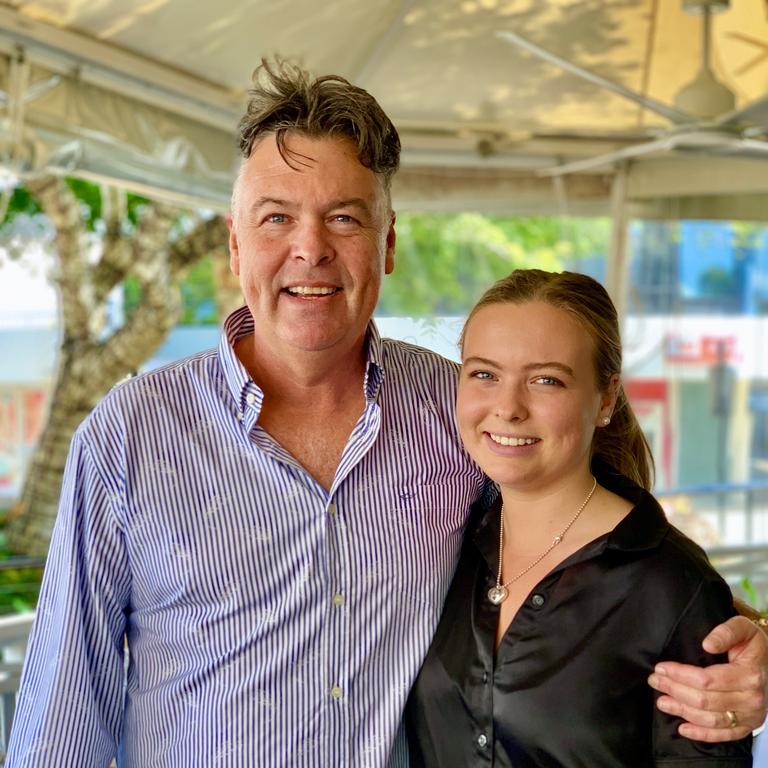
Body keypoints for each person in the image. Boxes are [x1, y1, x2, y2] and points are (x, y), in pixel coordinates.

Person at [6, 61, 767, 767]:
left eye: (344, 218)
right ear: (236, 247)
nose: (310, 249)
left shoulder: (459, 408)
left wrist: (740, 641)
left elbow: (590, 539)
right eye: (275, 218)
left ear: (388, 242)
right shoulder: (130, 433)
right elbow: (63, 711)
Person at [405, 269, 756, 766]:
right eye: (484, 373)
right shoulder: (443, 541)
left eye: (546, 380)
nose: (508, 408)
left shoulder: (672, 586)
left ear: (606, 398)